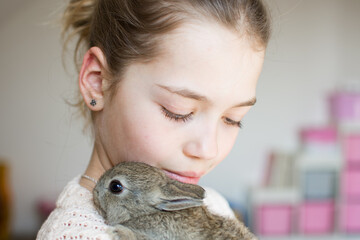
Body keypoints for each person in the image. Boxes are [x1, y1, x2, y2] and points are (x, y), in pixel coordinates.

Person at [37, 0, 270, 239]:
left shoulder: (215, 204)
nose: (208, 150)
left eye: (232, 119)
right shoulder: (80, 233)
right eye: (177, 111)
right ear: (97, 82)